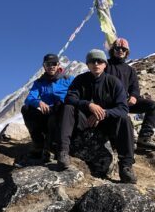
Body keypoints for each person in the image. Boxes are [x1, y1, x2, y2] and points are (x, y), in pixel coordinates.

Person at [57, 49, 137, 184]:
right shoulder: (80, 80)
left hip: (107, 124)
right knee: (68, 108)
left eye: (99, 61)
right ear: (87, 65)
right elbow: (70, 98)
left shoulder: (113, 82)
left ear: (105, 64)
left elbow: (123, 108)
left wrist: (103, 113)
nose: (96, 64)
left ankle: (126, 166)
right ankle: (63, 151)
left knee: (125, 119)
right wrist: (88, 105)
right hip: (85, 122)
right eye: (92, 61)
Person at [105, 38, 155, 150]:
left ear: (127, 52)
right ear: (113, 50)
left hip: (125, 102)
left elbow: (135, 88)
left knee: (154, 106)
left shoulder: (130, 70)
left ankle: (144, 138)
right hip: (109, 103)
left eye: (124, 49)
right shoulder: (105, 65)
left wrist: (133, 96)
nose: (120, 50)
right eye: (118, 48)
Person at [21, 54, 74, 162]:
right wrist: (39, 102)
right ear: (44, 66)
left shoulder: (68, 79)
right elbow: (29, 98)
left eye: (54, 63)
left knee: (60, 110)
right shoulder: (39, 82)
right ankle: (38, 144)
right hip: (47, 113)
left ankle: (52, 147)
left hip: (63, 115)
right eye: (48, 64)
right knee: (26, 109)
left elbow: (77, 95)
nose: (51, 66)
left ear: (58, 65)